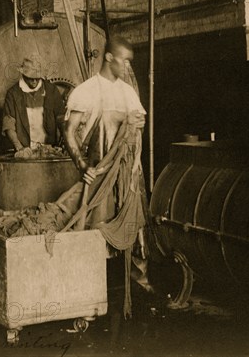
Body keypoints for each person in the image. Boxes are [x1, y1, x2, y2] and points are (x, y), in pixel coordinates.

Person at [64, 35, 150, 317]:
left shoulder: (128, 92)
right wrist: (82, 166)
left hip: (127, 173)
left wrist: (135, 163)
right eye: (124, 60)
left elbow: (137, 128)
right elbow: (70, 133)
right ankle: (85, 295)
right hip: (99, 172)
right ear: (109, 58)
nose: (127, 66)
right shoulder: (85, 91)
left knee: (133, 226)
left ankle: (138, 283)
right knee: (95, 230)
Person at [2, 56, 66, 158]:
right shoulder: (13, 94)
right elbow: (9, 125)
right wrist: (19, 147)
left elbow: (61, 118)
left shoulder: (51, 90)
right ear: (23, 75)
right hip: (26, 150)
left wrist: (67, 141)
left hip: (49, 149)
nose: (34, 82)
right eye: (31, 78)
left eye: (37, 78)